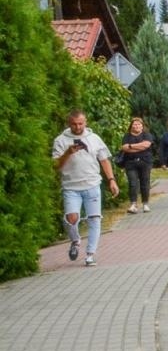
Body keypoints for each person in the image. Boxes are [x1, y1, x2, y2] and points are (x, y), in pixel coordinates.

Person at [52, 110, 118, 267]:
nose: (77, 127)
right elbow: (56, 166)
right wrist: (68, 152)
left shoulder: (94, 138)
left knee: (94, 218)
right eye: (74, 124)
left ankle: (90, 254)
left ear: (85, 122)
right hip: (71, 186)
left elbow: (104, 160)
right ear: (69, 124)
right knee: (71, 217)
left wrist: (111, 180)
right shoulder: (61, 140)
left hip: (92, 184)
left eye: (80, 123)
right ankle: (75, 240)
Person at [119, 116, 157, 213]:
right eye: (134, 124)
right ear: (131, 126)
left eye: (139, 124)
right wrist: (139, 146)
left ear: (142, 126)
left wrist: (131, 146)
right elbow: (124, 148)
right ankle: (133, 204)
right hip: (130, 163)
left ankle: (145, 203)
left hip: (145, 162)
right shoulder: (127, 136)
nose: (136, 126)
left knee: (145, 183)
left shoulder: (147, 135)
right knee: (132, 183)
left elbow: (146, 145)